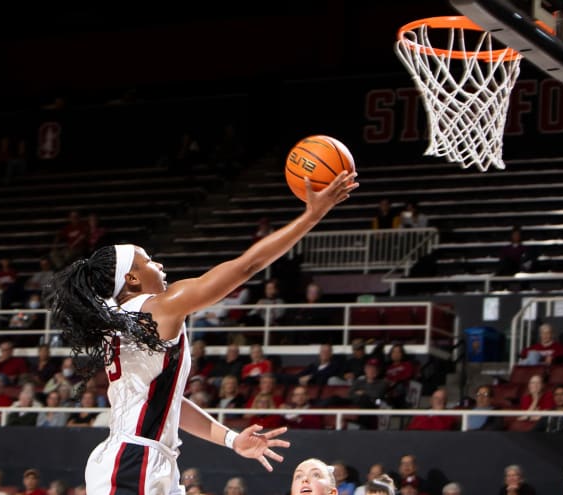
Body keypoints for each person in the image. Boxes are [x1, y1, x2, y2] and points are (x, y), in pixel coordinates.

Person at [48, 171, 357, 495]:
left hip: (144, 458)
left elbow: (169, 403)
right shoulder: (156, 309)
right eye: (150, 262)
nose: (160, 266)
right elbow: (246, 267)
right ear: (132, 279)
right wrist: (311, 216)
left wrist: (231, 438)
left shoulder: (126, 320)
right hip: (133, 461)